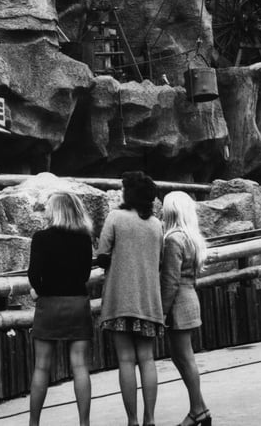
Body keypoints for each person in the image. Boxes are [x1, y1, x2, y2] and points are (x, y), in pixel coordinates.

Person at [96, 171, 164, 426]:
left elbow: (102, 255)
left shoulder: (115, 218)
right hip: (148, 300)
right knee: (147, 359)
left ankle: (132, 421)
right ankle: (150, 419)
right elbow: (159, 261)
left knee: (126, 360)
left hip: (120, 300)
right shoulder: (156, 225)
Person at [27, 191, 94, 426]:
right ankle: (84, 423)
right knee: (80, 366)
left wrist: (40, 290)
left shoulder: (41, 238)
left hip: (49, 304)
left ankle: (34, 423)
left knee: (42, 366)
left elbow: (34, 275)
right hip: (77, 303)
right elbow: (85, 274)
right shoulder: (84, 238)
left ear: (55, 210)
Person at [160, 191, 211, 426]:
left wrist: (161, 312)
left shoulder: (172, 240)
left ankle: (197, 411)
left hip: (178, 305)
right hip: (191, 298)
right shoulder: (192, 237)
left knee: (185, 358)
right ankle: (199, 408)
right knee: (182, 357)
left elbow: (170, 280)